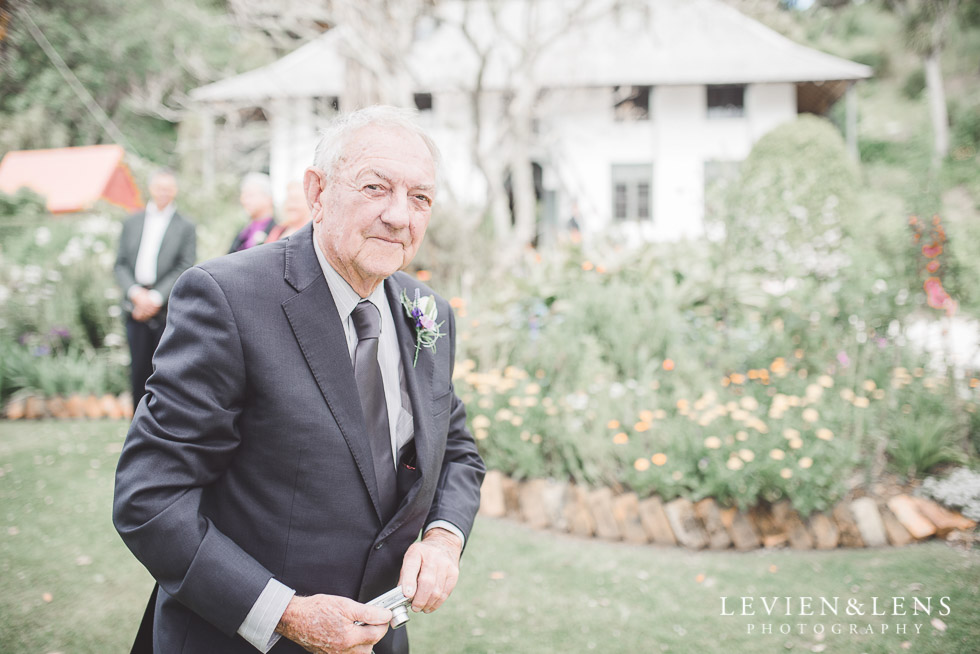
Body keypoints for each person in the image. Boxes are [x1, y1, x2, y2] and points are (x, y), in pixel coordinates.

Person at [113, 106, 485, 654]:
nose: (400, 216)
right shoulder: (227, 299)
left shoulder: (427, 310)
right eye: (376, 187)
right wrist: (284, 614)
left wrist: (443, 537)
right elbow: (151, 498)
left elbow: (456, 449)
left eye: (421, 197)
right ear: (317, 192)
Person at [113, 169, 196, 404]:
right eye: (160, 188)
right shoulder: (132, 222)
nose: (164, 193)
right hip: (134, 305)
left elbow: (185, 265)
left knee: (165, 371)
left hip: (165, 308)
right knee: (137, 369)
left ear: (175, 191)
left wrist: (156, 297)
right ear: (151, 189)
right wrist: (136, 294)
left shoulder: (186, 226)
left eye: (168, 188)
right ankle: (137, 427)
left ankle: (162, 428)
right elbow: (120, 264)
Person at [230, 172, 277, 252]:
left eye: (250, 195)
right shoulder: (243, 231)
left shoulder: (277, 230)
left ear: (268, 198)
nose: (245, 201)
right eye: (243, 196)